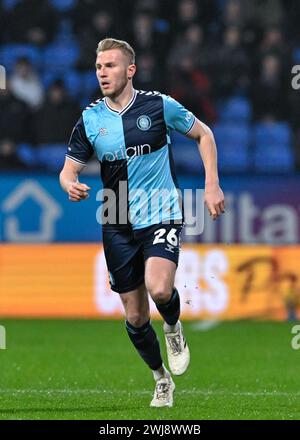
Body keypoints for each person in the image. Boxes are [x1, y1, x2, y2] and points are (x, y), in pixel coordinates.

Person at [59, 38, 225, 407]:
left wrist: (211, 185)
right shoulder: (90, 119)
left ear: (130, 70)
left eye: (111, 66)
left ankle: (173, 327)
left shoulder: (158, 105)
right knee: (135, 316)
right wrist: (70, 183)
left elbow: (204, 134)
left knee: (160, 289)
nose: (103, 72)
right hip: (117, 219)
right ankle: (161, 378)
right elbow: (67, 170)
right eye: (99, 66)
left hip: (161, 209)